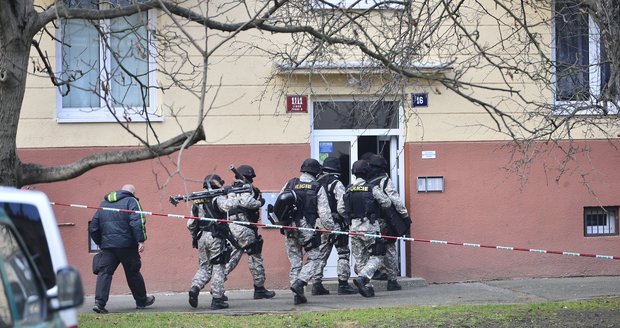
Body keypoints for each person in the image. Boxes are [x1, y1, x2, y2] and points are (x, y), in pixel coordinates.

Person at [89, 184, 155, 314]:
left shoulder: (103, 203)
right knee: (133, 273)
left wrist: (101, 243)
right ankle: (141, 301)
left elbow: (93, 227)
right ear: (132, 192)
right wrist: (140, 240)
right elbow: (137, 221)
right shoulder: (131, 201)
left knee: (105, 273)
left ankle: (99, 303)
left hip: (108, 246)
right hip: (127, 246)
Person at [280, 158, 332, 304]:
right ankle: (300, 283)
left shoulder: (290, 183)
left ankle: (298, 295)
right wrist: (331, 229)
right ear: (316, 172)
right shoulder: (317, 187)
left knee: (295, 261)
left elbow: (280, 202)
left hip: (289, 228)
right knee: (316, 257)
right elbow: (325, 213)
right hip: (306, 228)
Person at [224, 165, 276, 300]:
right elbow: (248, 203)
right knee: (255, 257)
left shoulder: (229, 190)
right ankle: (259, 289)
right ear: (249, 177)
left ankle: (217, 286)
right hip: (245, 228)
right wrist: (260, 203)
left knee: (232, 258)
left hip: (231, 227)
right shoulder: (248, 189)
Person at [343, 160, 392, 297]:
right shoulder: (372, 188)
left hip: (353, 229)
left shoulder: (348, 189)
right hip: (370, 228)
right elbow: (387, 203)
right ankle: (363, 278)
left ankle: (367, 288)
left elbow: (341, 208)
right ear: (367, 172)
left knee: (360, 260)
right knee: (378, 255)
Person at [311, 157, 357, 295]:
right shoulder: (336, 183)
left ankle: (316, 284)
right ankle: (343, 284)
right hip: (336, 224)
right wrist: (347, 219)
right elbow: (342, 206)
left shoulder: (316, 183)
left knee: (321, 253)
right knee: (343, 253)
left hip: (319, 224)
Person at [187, 174, 233, 310]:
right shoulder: (217, 198)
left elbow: (190, 223)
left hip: (201, 236)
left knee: (204, 267)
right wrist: (230, 194)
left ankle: (195, 288)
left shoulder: (197, 200)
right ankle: (217, 299)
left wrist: (194, 237)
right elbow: (228, 206)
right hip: (215, 237)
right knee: (218, 266)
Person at [367, 154, 411, 291]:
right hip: (385, 221)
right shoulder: (384, 181)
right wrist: (405, 216)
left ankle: (376, 272)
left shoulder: (365, 182)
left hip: (370, 222)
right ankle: (392, 280)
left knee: (374, 248)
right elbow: (395, 200)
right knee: (390, 249)